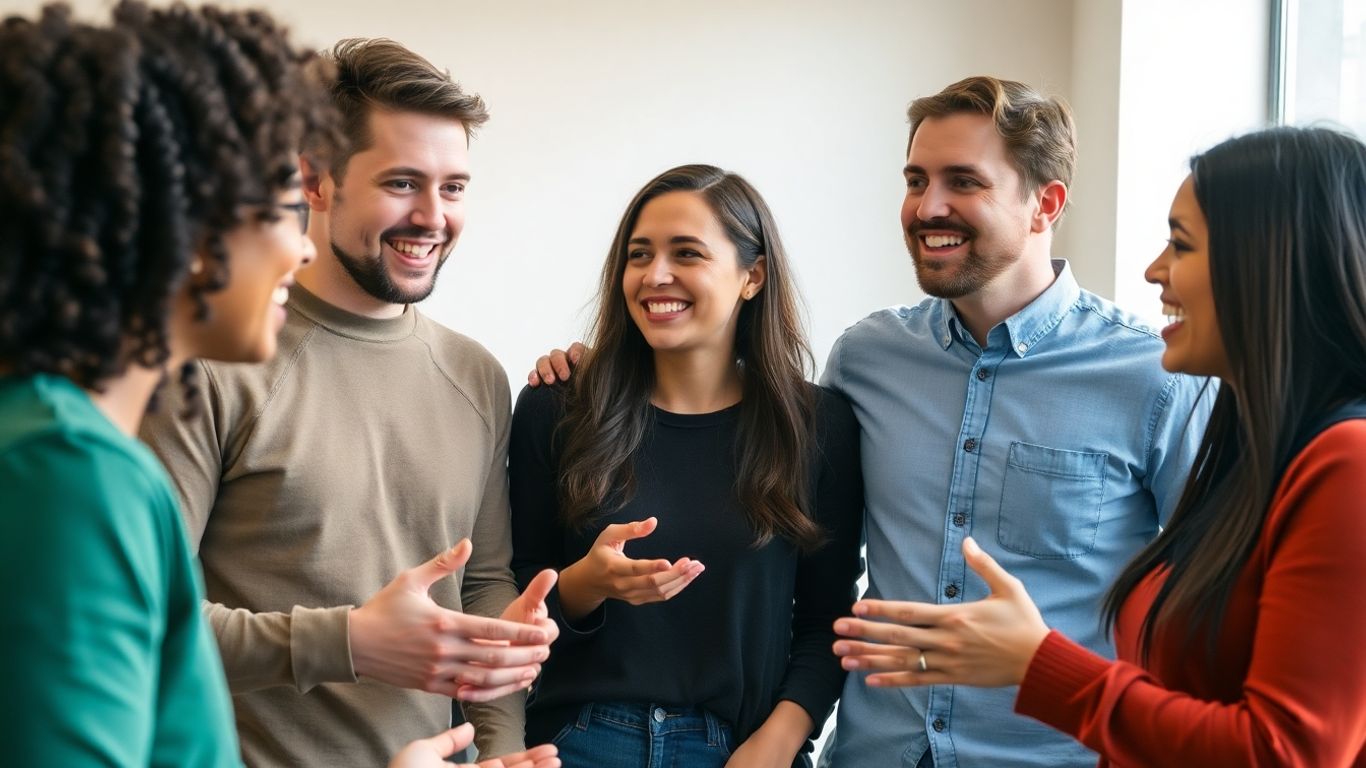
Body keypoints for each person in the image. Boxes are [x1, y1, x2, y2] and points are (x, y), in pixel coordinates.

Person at [530, 76, 1210, 767]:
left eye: (962, 182)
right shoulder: (867, 361)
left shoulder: (1155, 378)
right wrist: (604, 368)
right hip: (877, 752)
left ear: (1047, 203)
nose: (927, 206)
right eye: (916, 180)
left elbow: (1211, 609)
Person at [0, 5, 557, 768]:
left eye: (454, 186)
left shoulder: (79, 456)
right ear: (186, 228)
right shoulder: (68, 469)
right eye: (277, 205)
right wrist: (348, 642)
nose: (297, 242)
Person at [833, 125, 1366, 767]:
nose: (1154, 270)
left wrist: (1039, 665)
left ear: (1273, 262)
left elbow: (1286, 749)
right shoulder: (865, 356)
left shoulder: (1343, 461)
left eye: (1183, 244)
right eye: (915, 180)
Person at [510, 165, 864, 767]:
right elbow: (513, 600)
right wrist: (583, 586)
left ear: (751, 276)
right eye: (639, 254)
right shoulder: (557, 406)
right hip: (578, 744)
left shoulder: (818, 426)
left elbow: (827, 621)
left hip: (745, 748)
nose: (655, 275)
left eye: (687, 253)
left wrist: (776, 746)